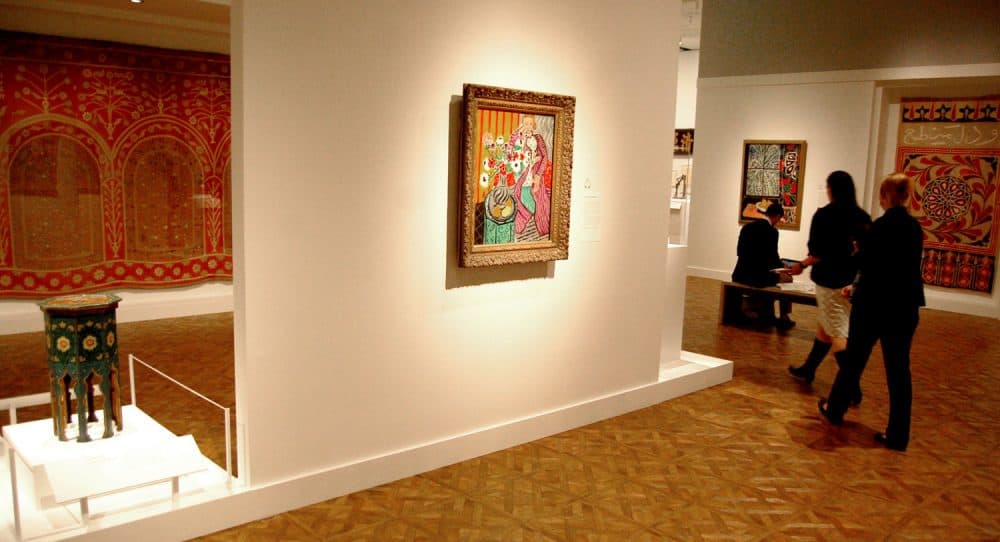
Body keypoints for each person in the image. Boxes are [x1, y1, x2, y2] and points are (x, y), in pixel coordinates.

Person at [819, 173, 925, 451]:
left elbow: (871, 268)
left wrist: (855, 283)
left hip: (874, 306)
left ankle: (835, 409)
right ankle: (898, 434)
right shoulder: (915, 229)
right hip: (905, 308)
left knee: (854, 360)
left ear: (885, 195)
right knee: (899, 370)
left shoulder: (879, 228)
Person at [787, 171, 871, 400]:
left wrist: (802, 264)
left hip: (828, 280)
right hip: (849, 281)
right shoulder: (862, 217)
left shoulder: (825, 216)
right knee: (827, 326)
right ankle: (808, 369)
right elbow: (865, 253)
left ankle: (851, 387)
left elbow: (817, 251)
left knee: (837, 333)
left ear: (831, 189)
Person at [731, 202, 794, 327]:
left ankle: (763, 310)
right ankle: (784, 316)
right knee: (788, 279)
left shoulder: (746, 227)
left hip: (740, 274)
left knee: (772, 277)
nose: (778, 222)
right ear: (776, 216)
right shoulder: (772, 231)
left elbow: (739, 251)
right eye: (779, 219)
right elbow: (772, 258)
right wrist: (783, 266)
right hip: (758, 278)